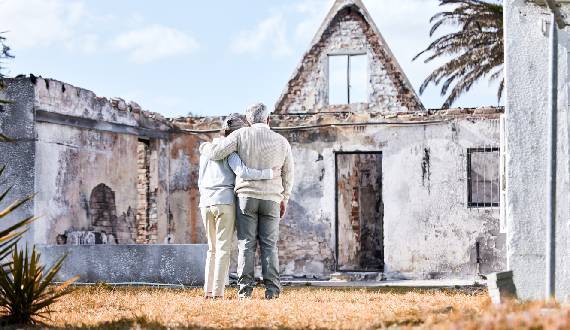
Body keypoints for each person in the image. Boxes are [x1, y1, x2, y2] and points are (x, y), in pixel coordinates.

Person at [200, 103, 294, 300]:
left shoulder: (239, 135)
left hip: (246, 198)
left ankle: (245, 292)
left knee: (246, 244)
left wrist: (205, 146)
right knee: (269, 245)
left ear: (249, 121)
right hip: (272, 199)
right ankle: (272, 292)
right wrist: (284, 198)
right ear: (268, 119)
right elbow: (289, 174)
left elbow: (217, 154)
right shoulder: (282, 141)